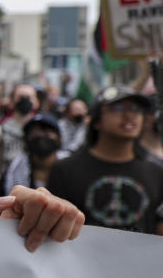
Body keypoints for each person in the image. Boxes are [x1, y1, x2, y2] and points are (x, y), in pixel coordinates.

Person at [47, 86, 163, 235]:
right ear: (96, 121)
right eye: (118, 108)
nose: (129, 115)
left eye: (136, 109)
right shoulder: (64, 170)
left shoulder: (156, 173)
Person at [0, 83, 39, 187]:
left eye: (28, 97)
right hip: (6, 182)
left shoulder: (41, 130)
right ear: (11, 102)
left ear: (36, 102)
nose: (25, 101)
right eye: (21, 97)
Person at [2, 114, 68, 192]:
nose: (41, 135)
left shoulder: (71, 166)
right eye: (34, 132)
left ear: (59, 138)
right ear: (26, 140)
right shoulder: (14, 169)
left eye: (47, 131)